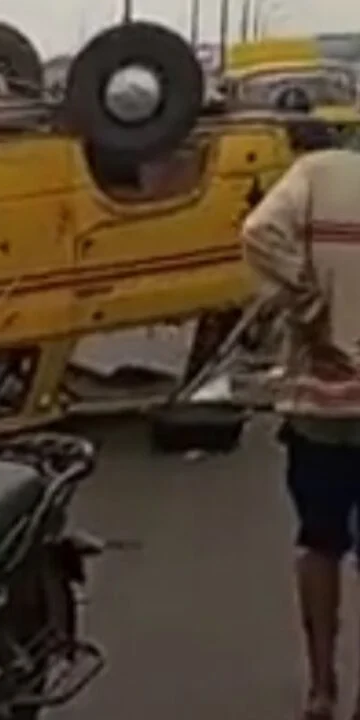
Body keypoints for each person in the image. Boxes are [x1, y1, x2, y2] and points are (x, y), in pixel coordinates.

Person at [241, 143, 360, 720]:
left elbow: (257, 232)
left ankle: (322, 685)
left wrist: (307, 299)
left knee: (319, 544)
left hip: (321, 404)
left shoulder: (317, 175)